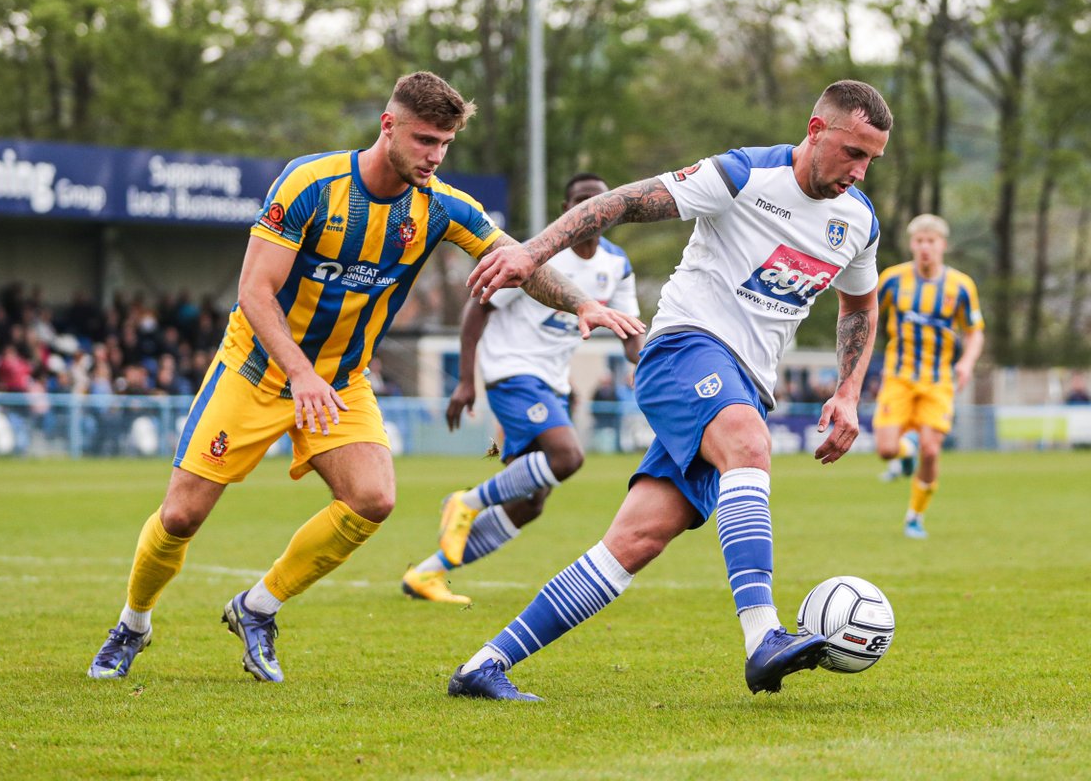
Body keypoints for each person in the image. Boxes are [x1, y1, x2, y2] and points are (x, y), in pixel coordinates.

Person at [86, 71, 644, 682]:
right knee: (180, 518)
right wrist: (298, 373)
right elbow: (255, 290)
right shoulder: (309, 184)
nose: (435, 156)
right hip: (255, 371)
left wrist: (581, 304)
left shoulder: (439, 207)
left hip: (342, 380)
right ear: (389, 126)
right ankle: (132, 625)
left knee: (373, 499)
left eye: (445, 144)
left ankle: (257, 607)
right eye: (425, 140)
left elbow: (517, 259)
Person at [448, 79, 892, 701]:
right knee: (749, 443)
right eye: (853, 152)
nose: (861, 171)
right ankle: (763, 636)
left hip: (745, 383)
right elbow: (624, 202)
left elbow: (860, 305)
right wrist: (532, 251)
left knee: (635, 541)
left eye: (872, 159)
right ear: (816, 131)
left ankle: (483, 666)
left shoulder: (858, 222)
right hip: (685, 348)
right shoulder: (741, 176)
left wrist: (848, 392)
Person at [402, 173, 643, 604]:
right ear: (565, 210)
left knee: (530, 502)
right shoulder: (536, 258)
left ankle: (426, 573)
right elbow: (478, 311)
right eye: (581, 202)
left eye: (599, 202)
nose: (591, 210)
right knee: (567, 457)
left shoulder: (616, 264)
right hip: (512, 371)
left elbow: (629, 332)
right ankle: (466, 501)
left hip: (552, 382)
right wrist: (465, 380)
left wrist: (648, 362)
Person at [872, 214, 984, 539]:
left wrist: (967, 362)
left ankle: (914, 517)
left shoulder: (961, 286)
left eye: (931, 241)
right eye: (919, 241)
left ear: (942, 245)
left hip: (938, 381)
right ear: (912, 244)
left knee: (932, 450)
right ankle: (905, 452)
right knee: (886, 450)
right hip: (899, 376)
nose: (925, 248)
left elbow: (975, 332)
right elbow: (867, 315)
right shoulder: (892, 280)